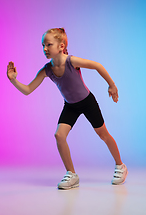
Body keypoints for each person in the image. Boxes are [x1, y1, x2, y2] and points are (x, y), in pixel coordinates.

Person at [7, 27, 128, 189]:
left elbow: (97, 65)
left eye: (49, 45)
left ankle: (120, 165)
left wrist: (112, 85)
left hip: (87, 102)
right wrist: (13, 80)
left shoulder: (72, 61)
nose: (44, 49)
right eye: (43, 45)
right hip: (70, 106)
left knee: (103, 134)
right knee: (59, 135)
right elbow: (28, 90)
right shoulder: (47, 70)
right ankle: (71, 174)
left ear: (61, 46)